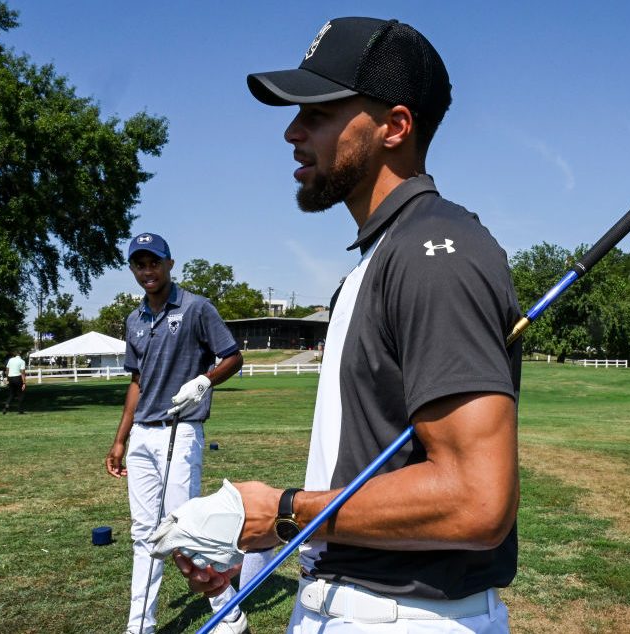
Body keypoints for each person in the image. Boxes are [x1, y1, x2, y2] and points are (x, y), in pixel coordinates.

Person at [168, 17, 522, 633]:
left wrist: (282, 513)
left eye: (320, 111)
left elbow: (475, 499)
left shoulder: (435, 251)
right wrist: (262, 541)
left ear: (395, 126)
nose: (292, 131)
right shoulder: (379, 258)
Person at [104, 232, 254, 634]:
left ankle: (228, 611)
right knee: (143, 534)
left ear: (170, 264)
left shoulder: (196, 308)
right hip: (142, 436)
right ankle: (140, 625)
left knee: (183, 528)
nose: (147, 271)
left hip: (180, 430)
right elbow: (136, 383)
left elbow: (233, 355)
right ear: (133, 269)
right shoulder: (134, 320)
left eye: (154, 262)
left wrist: (205, 381)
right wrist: (121, 438)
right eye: (139, 264)